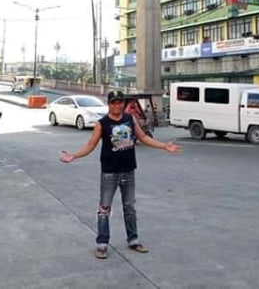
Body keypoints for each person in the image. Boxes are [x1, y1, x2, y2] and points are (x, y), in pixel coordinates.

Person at [59, 90, 182, 259]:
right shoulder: (101, 124)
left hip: (128, 171)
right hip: (110, 173)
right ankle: (102, 243)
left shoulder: (130, 119)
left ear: (123, 104)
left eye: (120, 102)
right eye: (114, 102)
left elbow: (144, 138)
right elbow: (90, 145)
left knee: (130, 207)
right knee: (104, 209)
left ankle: (133, 239)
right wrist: (74, 155)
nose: (117, 105)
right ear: (109, 104)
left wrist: (163, 146)